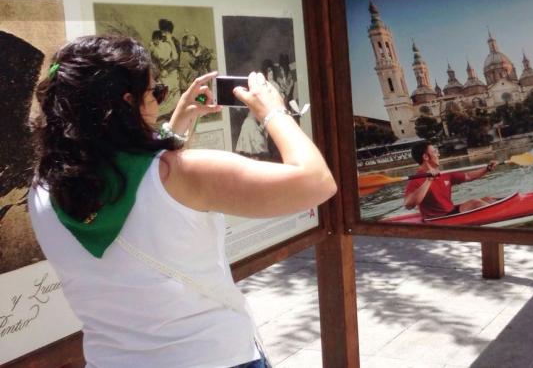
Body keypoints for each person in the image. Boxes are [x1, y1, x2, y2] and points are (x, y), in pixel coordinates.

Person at [28, 36, 336, 367]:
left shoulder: (43, 187)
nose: (159, 101)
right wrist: (274, 111)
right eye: (154, 93)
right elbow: (316, 183)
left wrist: (175, 128)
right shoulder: (186, 173)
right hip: (214, 357)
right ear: (129, 102)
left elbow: (135, 186)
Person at [403, 142, 497, 219]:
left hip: (451, 212)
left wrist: (487, 169)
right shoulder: (415, 180)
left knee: (488, 199)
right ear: (426, 157)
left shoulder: (444, 174)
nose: (438, 154)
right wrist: (429, 180)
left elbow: (468, 176)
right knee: (476, 203)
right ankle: (499, 213)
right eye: (435, 152)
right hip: (438, 219)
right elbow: (408, 205)